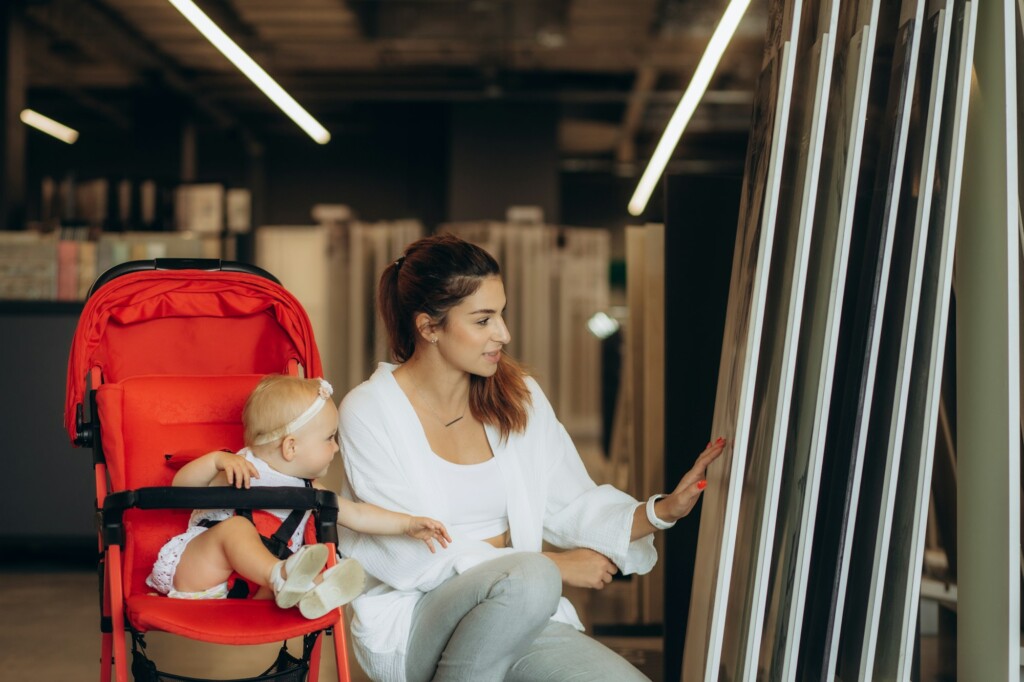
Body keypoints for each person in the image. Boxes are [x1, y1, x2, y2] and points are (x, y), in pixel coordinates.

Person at [336, 233, 725, 681]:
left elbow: (572, 504)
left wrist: (660, 511)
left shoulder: (518, 398)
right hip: (420, 621)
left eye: (501, 314)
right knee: (531, 580)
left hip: (524, 611)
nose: (503, 334)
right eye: (483, 320)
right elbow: (408, 553)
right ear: (429, 328)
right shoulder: (370, 410)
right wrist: (550, 567)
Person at [146, 374, 452, 620]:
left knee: (311, 552)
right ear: (291, 447)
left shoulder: (309, 492)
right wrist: (215, 461)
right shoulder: (239, 466)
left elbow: (358, 515)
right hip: (201, 574)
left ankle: (312, 590)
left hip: (255, 595)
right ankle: (284, 576)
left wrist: (408, 524)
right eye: (330, 438)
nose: (336, 447)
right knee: (237, 530)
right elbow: (179, 487)